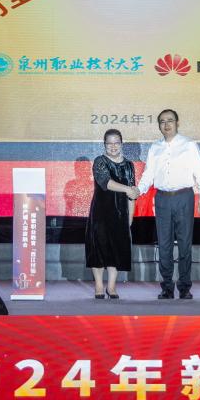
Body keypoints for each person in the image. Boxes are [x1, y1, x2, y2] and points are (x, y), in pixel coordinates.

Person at [136, 109, 200, 300]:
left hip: (184, 197)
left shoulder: (189, 145)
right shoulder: (155, 147)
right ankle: (167, 287)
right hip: (162, 199)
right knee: (164, 244)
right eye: (162, 121)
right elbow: (148, 174)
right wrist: (138, 190)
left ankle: (184, 287)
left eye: (170, 120)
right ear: (159, 125)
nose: (166, 124)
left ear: (177, 123)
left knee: (184, 244)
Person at [84, 128, 139, 299]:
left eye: (116, 143)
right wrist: (128, 189)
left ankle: (112, 286)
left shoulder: (129, 165)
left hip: (121, 215)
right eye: (109, 143)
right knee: (99, 249)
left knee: (116, 249)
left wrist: (130, 217)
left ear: (121, 144)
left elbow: (133, 195)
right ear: (104, 145)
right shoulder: (100, 161)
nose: (113, 146)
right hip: (101, 214)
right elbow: (106, 183)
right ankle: (99, 286)